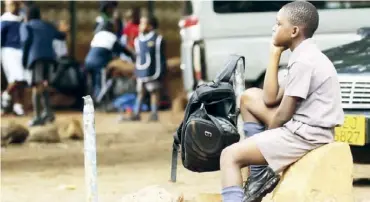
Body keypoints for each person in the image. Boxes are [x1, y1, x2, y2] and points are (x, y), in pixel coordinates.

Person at [219, 2, 344, 202]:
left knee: (229, 156)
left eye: (278, 24)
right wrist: (274, 53)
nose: (274, 28)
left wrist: (261, 142)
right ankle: (258, 176)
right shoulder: (305, 54)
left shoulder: (304, 61)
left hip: (306, 134)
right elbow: (270, 98)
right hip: (304, 127)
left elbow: (283, 114)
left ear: (293, 31)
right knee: (250, 96)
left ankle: (259, 174)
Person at [20, 5, 66, 126]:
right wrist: (64, 30)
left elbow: (26, 41)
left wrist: (24, 60)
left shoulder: (27, 26)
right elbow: (60, 36)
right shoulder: (47, 25)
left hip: (36, 58)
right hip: (50, 58)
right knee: (44, 84)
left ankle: (37, 117)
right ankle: (48, 113)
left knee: (37, 86)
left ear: (27, 16)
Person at [125, 15, 167, 122]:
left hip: (153, 71)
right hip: (141, 71)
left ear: (150, 26)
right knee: (140, 92)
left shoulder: (157, 39)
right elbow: (138, 56)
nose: (140, 26)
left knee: (154, 92)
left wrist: (161, 71)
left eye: (143, 23)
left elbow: (160, 57)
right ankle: (136, 113)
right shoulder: (138, 40)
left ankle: (154, 113)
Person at [85, 20, 135, 100]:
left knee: (92, 84)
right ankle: (99, 104)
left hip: (88, 62)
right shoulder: (111, 36)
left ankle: (90, 103)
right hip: (98, 64)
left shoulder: (97, 35)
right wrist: (133, 56)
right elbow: (122, 49)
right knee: (101, 85)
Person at [1, 0, 26, 116]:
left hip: (20, 51)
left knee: (19, 80)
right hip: (8, 51)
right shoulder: (4, 20)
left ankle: (17, 105)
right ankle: (6, 95)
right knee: (16, 77)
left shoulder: (22, 18)